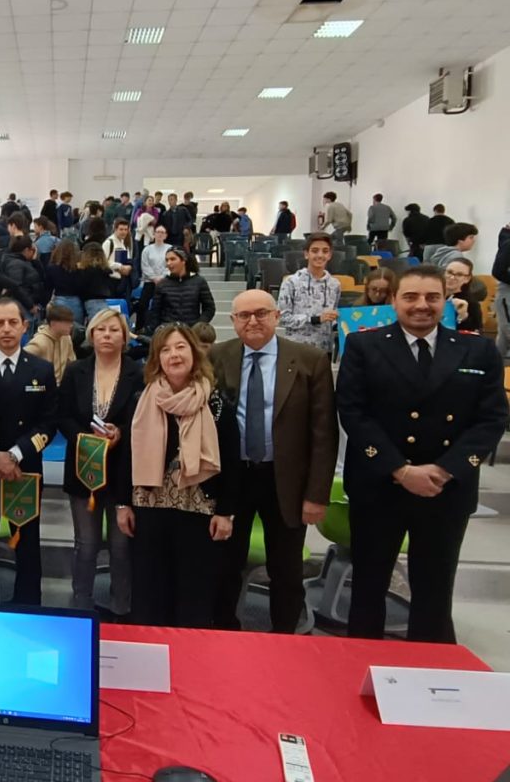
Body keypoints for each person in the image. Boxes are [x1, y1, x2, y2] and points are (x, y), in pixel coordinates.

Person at [337, 265, 508, 643]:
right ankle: (360, 661)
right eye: (411, 297)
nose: (421, 305)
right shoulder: (364, 346)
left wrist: (445, 470)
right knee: (367, 587)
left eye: (432, 297)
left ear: (445, 300)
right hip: (380, 486)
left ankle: (430, 666)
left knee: (435, 589)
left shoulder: (477, 349)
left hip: (445, 488)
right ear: (394, 300)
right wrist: (400, 470)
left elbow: (492, 418)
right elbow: (353, 412)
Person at [210, 291, 338, 633]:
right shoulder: (217, 356)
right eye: (244, 315)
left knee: (286, 569)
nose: (252, 321)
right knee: (225, 565)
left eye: (261, 313)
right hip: (232, 479)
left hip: (286, 481)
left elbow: (324, 434)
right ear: (233, 321)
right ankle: (223, 633)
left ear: (277, 316)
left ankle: (284, 635)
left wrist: (316, 494)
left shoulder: (310, 359)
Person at [119, 323, 239, 628]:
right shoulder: (141, 400)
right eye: (165, 349)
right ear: (156, 358)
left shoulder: (216, 403)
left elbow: (231, 461)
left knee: (193, 592)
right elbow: (127, 455)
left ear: (194, 353)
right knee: (150, 590)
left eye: (180, 347)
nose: (174, 355)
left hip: (198, 510)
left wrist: (226, 512)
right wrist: (122, 504)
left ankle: (190, 652)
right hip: (149, 507)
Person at [0, 298, 57, 605]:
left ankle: (27, 604)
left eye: (12, 322)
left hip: (24, 469)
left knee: (27, 542)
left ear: (25, 326)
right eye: (0, 323)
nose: (6, 329)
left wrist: (15, 454)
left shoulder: (42, 370)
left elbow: (48, 423)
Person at [58, 308, 143, 618]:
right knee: (86, 544)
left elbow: (144, 419)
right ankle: (81, 605)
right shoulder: (75, 371)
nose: (107, 335)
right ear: (91, 336)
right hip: (84, 468)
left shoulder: (139, 373)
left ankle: (122, 608)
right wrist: (84, 439)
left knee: (121, 547)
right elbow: (62, 415)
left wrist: (120, 432)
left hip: (123, 470)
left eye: (114, 330)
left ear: (125, 337)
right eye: (101, 330)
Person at [277, 233, 341, 354]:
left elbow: (332, 317)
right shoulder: (291, 282)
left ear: (330, 255)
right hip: (296, 349)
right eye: (315, 251)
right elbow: (283, 318)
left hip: (323, 351)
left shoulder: (335, 284)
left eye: (325, 251)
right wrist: (315, 319)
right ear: (306, 254)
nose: (320, 255)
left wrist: (338, 323)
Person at [146, 247, 215, 332]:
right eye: (167, 260)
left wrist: (198, 326)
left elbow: (209, 308)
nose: (168, 263)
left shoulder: (199, 281)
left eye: (173, 259)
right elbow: (155, 312)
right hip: (168, 331)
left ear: (183, 260)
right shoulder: (162, 284)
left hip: (191, 331)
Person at [24, 302, 76, 384]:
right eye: (67, 322)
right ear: (53, 324)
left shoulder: (66, 338)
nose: (71, 325)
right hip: (44, 387)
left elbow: (72, 363)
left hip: (63, 386)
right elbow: (21, 364)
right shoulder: (39, 343)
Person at [46, 240, 84, 327]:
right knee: (77, 330)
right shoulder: (79, 269)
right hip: (76, 301)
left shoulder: (52, 268)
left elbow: (48, 288)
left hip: (59, 300)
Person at [77, 242, 115, 322]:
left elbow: (80, 287)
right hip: (103, 301)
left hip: (90, 301)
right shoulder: (105, 270)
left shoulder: (85, 271)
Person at [444, 258, 482, 332]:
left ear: (467, 279)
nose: (452, 277)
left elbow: (475, 331)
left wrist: (463, 316)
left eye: (459, 274)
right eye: (449, 272)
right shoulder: (431, 294)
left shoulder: (471, 303)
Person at [102, 218, 134, 298]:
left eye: (126, 230)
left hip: (122, 281)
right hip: (111, 281)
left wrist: (129, 267)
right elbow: (103, 262)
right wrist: (119, 266)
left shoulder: (124, 243)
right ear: (115, 229)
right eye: (121, 229)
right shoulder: (108, 243)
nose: (124, 232)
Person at [494, 224, 510, 359]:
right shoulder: (508, 245)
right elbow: (498, 271)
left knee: (503, 335)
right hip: (507, 295)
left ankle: (495, 363)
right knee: (507, 330)